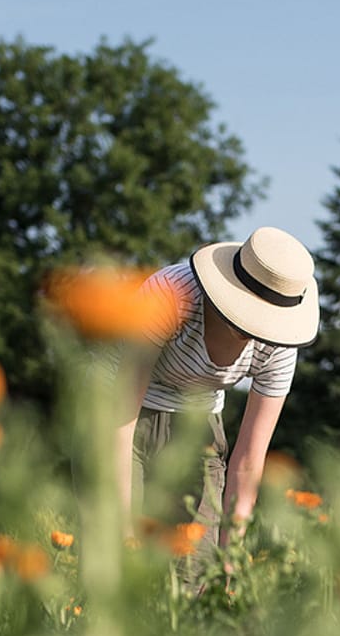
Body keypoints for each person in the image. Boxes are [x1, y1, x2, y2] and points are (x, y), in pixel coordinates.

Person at [115, 226, 320, 566]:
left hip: (199, 424)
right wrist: (121, 529)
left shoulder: (280, 346)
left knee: (194, 569)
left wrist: (230, 558)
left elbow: (248, 461)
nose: (254, 328)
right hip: (122, 415)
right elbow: (118, 415)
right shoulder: (172, 293)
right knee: (115, 563)